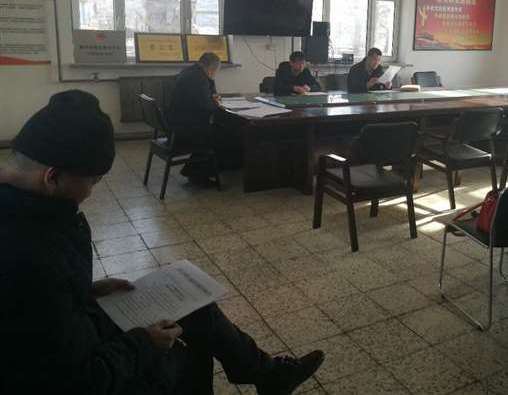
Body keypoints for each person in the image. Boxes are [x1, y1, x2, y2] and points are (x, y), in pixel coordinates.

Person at [0, 90, 324, 394]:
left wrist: (85, 291)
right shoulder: (27, 255)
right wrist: (144, 343)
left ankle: (268, 374)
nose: (90, 194)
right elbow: (77, 380)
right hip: (76, 369)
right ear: (52, 177)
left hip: (78, 328)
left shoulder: (30, 213)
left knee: (195, 306)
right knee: (188, 355)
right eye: (92, 182)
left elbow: (41, 314)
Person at [167, 53, 222, 186]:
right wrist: (216, 103)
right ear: (211, 69)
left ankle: (192, 171)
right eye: (215, 71)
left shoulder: (191, 71)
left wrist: (211, 96)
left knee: (220, 131)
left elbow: (201, 99)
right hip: (185, 130)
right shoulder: (198, 79)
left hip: (176, 124)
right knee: (222, 134)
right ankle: (198, 176)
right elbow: (206, 107)